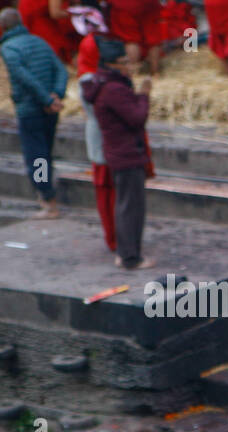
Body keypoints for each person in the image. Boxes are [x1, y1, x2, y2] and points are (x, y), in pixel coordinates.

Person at [86, 41, 153, 269]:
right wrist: (144, 95)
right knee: (130, 207)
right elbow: (136, 118)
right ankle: (130, 257)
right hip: (126, 154)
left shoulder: (105, 84)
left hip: (119, 152)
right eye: (124, 62)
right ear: (111, 65)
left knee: (126, 205)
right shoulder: (114, 89)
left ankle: (126, 252)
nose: (129, 66)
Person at [0, 9, 67, 221]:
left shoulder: (9, 49)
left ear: (2, 27)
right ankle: (48, 194)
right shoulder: (39, 41)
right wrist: (56, 95)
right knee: (45, 153)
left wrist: (47, 99)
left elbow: (24, 78)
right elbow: (61, 70)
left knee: (36, 157)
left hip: (31, 109)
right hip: (50, 109)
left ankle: (47, 200)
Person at [76, 24, 116, 252]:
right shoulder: (97, 82)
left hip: (100, 144)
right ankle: (114, 238)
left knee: (106, 194)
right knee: (108, 194)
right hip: (107, 145)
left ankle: (113, 236)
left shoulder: (88, 80)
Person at [106, 0, 163, 75]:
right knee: (152, 37)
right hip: (150, 3)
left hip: (124, 4)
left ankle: (134, 73)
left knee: (130, 39)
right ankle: (155, 71)